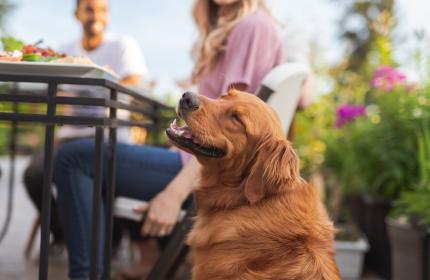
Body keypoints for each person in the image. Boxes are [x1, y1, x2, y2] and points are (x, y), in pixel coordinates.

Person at [53, 0, 284, 278]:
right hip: (192, 161)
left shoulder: (252, 27)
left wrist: (174, 194)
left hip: (203, 174)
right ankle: (143, 256)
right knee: (96, 157)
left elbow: (225, 140)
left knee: (74, 159)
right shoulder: (245, 26)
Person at [23, 0, 147, 255]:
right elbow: (54, 89)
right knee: (34, 174)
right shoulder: (66, 49)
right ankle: (65, 234)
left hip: (109, 134)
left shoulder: (122, 45)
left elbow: (134, 82)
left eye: (103, 9)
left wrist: (89, 87)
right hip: (70, 135)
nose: (96, 15)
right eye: (90, 8)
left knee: (100, 174)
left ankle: (105, 240)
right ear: (77, 14)